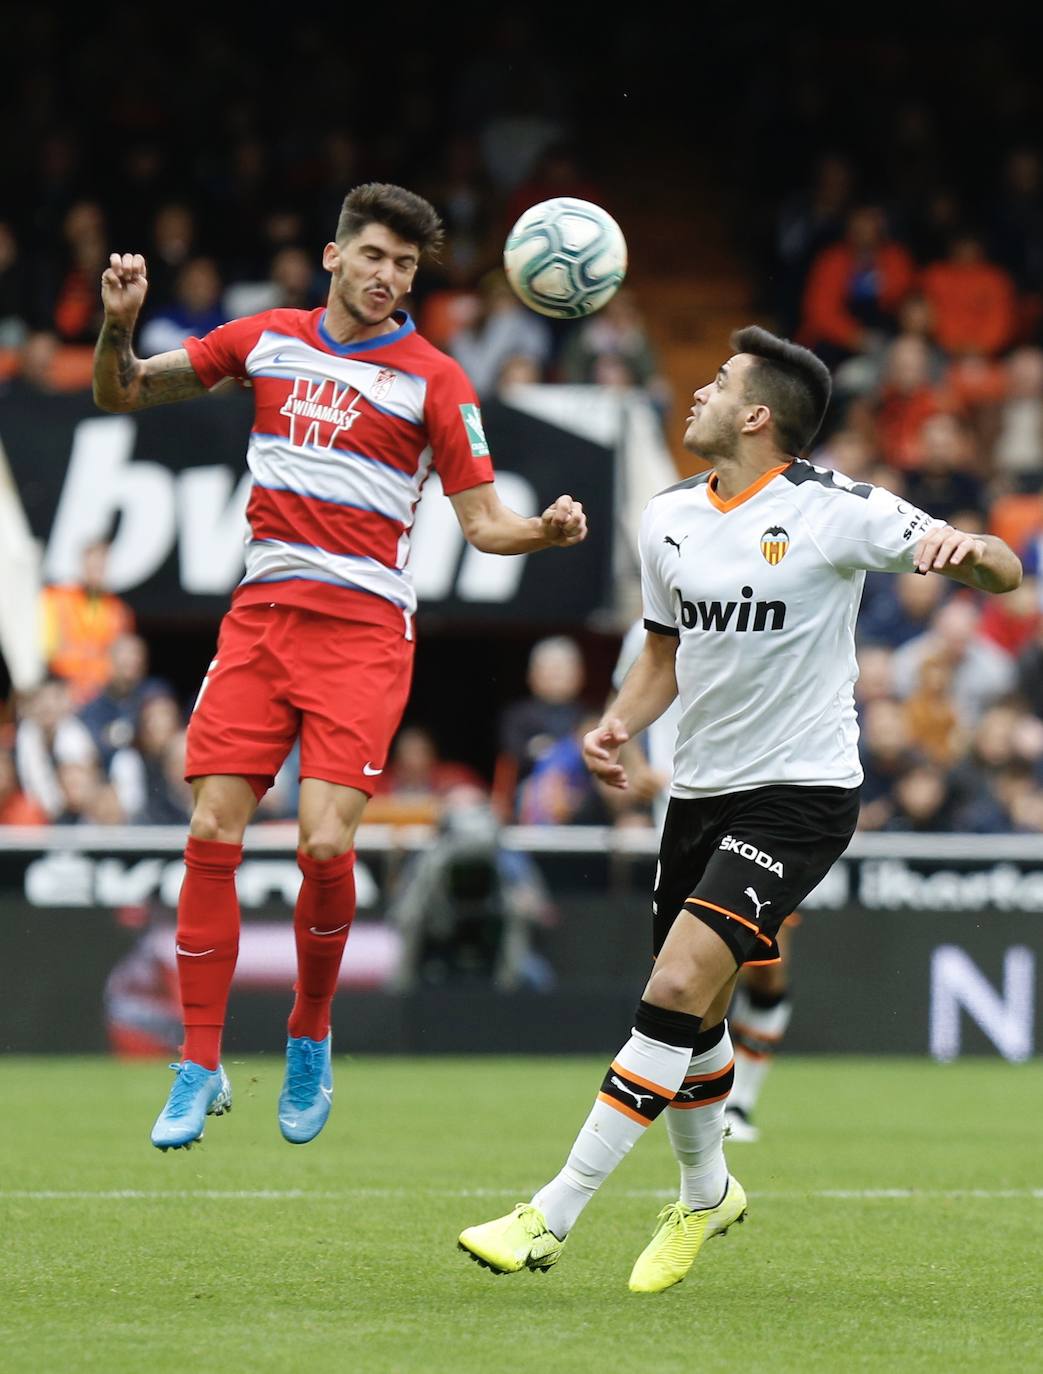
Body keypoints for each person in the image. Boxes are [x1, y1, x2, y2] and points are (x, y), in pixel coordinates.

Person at [458, 324, 1021, 1291]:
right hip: (700, 794)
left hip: (800, 796)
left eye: (716, 383)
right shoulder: (667, 515)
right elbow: (665, 655)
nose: (696, 394)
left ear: (756, 415)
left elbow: (1004, 568)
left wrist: (969, 551)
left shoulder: (834, 510)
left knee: (674, 986)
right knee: (699, 1017)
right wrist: (616, 723)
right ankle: (708, 1192)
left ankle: (550, 1214)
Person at [92, 182, 588, 1152]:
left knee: (323, 845)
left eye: (405, 266)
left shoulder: (436, 378)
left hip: (361, 633)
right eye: (373, 257)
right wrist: (119, 328)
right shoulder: (264, 339)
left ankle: (309, 1035)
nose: (387, 278)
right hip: (260, 622)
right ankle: (198, 1062)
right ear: (334, 257)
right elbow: (121, 391)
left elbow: (483, 525)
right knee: (210, 828)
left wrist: (542, 530)